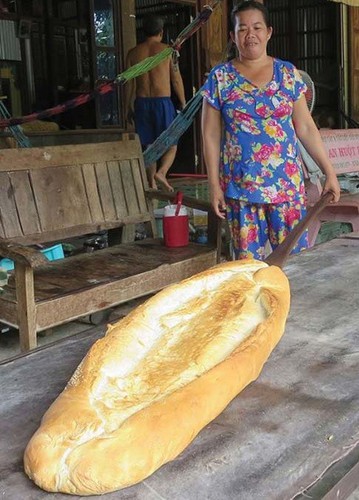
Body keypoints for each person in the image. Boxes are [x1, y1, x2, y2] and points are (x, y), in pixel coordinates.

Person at [201, 1, 341, 260]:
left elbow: (306, 127)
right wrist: (213, 185)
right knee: (247, 268)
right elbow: (210, 134)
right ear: (233, 36)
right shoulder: (220, 78)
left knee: (294, 262)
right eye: (242, 29)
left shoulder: (288, 74)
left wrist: (329, 172)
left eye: (257, 27)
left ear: (268, 32)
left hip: (286, 188)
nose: (250, 34)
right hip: (240, 189)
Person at [125, 14, 186, 191]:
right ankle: (162, 172)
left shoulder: (133, 54)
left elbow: (128, 84)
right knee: (172, 142)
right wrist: (183, 102)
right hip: (162, 103)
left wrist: (127, 107)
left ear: (143, 32)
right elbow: (176, 80)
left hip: (142, 103)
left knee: (149, 144)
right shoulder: (168, 51)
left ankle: (151, 184)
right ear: (161, 32)